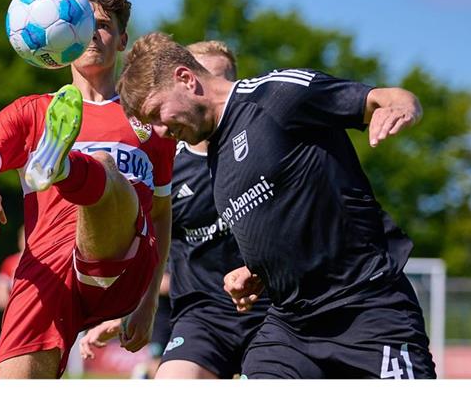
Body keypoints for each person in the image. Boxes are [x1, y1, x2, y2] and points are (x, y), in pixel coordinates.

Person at [116, 33, 436, 379]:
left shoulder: (276, 95)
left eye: (157, 114)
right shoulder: (214, 153)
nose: (161, 131)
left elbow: (384, 97)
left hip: (366, 307)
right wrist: (257, 271)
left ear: (186, 79)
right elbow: (287, 213)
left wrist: (403, 105)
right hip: (291, 326)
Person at [0, 0, 176, 379]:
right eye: (84, 22)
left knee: (102, 165)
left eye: (104, 25)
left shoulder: (151, 117)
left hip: (122, 263)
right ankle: (61, 164)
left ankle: (63, 167)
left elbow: (162, 212)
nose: (93, 34)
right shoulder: (31, 111)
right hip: (46, 267)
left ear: (122, 40)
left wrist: (149, 301)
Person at [81, 41, 270, 379]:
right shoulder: (168, 167)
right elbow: (146, 243)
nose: (208, 91)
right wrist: (127, 308)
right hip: (203, 318)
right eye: (201, 78)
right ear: (184, 80)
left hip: (274, 313)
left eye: (219, 80)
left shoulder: (262, 146)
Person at [0, 225, 26, 312]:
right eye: (24, 237)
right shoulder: (11, 263)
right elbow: (0, 290)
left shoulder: (47, 261)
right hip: (17, 312)